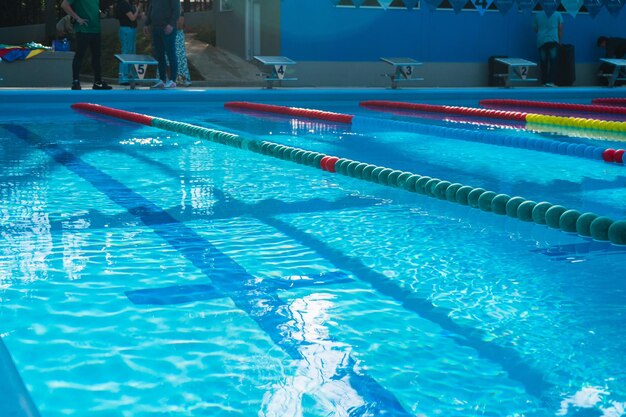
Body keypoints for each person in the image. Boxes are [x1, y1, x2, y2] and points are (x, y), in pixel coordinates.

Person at [60, 0, 112, 90]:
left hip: (96, 29)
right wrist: (77, 18)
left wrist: (101, 13)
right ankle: (75, 81)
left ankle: (98, 82)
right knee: (80, 55)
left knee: (97, 56)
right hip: (83, 29)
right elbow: (64, 4)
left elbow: (94, 8)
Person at [144, 0, 180, 89]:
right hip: (155, 28)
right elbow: (151, 8)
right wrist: (146, 23)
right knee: (159, 55)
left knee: (171, 54)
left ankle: (172, 80)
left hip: (167, 28)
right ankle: (162, 80)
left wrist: (171, 24)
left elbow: (176, 9)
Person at [533, 10, 562, 87]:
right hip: (553, 40)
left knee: (543, 63)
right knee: (553, 62)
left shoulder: (538, 14)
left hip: (541, 41)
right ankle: (551, 81)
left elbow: (535, 29)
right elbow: (560, 29)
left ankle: (544, 82)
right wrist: (559, 41)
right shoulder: (558, 14)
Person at [116, 0, 142, 85]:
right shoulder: (123, 4)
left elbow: (136, 17)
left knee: (132, 54)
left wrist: (138, 11)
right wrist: (138, 8)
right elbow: (132, 18)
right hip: (127, 30)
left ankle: (131, 77)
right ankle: (123, 78)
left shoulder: (128, 4)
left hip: (130, 30)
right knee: (126, 54)